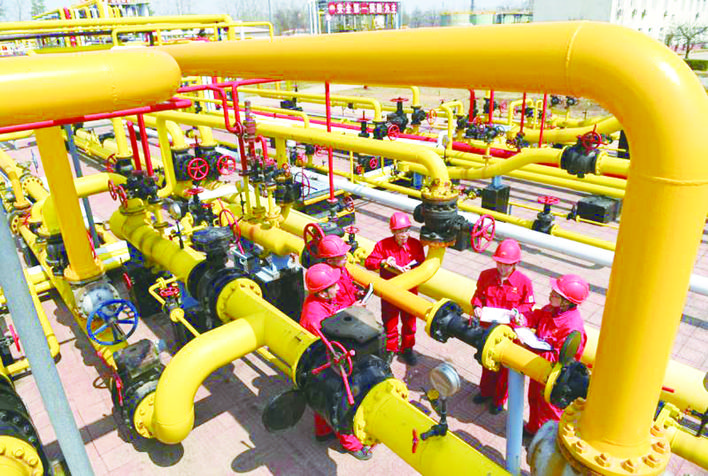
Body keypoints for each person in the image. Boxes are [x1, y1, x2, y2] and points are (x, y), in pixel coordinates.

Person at [300, 264, 373, 461]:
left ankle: (323, 431)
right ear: (323, 292)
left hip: (317, 362)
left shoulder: (319, 301)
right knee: (341, 400)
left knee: (321, 397)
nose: (338, 287)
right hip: (325, 361)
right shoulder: (314, 314)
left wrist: (350, 309)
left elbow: (333, 314)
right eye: (334, 286)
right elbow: (329, 338)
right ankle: (351, 443)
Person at [519, 274, 588, 437]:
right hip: (540, 367)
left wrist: (531, 348)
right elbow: (537, 316)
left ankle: (546, 440)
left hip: (554, 376)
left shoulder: (572, 327)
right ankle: (533, 428)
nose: (551, 294)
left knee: (549, 410)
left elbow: (562, 360)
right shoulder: (552, 309)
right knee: (534, 399)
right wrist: (524, 319)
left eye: (555, 294)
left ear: (566, 301)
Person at [471, 238, 535, 414]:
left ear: (515, 264)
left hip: (509, 334)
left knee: (504, 370)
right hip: (488, 330)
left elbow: (528, 304)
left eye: (507, 265)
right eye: (499, 263)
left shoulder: (524, 282)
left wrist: (518, 312)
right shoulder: (486, 276)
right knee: (487, 363)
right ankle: (485, 392)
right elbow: (478, 296)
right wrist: (476, 306)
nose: (502, 267)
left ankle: (498, 400)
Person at [364, 212, 425, 366]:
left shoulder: (415, 245)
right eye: (399, 231)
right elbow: (369, 263)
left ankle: (407, 349)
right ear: (393, 231)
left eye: (406, 230)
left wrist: (412, 268)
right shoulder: (383, 245)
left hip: (409, 291)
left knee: (409, 323)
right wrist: (384, 262)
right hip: (390, 291)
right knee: (390, 321)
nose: (404, 235)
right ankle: (390, 349)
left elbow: (422, 264)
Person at [317, 234, 361, 309]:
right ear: (330, 261)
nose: (346, 257)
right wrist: (351, 307)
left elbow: (350, 283)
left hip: (351, 305)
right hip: (342, 312)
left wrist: (356, 292)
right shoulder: (327, 279)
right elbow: (331, 306)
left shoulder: (343, 269)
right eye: (342, 256)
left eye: (345, 254)